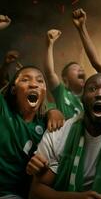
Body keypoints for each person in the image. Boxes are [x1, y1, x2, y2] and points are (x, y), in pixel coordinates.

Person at [29, 73, 101, 199]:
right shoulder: (58, 133)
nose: (99, 94)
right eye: (92, 89)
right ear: (82, 98)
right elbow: (36, 190)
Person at [0, 66, 63, 198]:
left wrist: (54, 111)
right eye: (25, 80)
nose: (34, 84)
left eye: (40, 81)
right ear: (13, 90)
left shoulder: (48, 125)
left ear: (44, 92)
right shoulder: (3, 110)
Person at [44, 29, 86, 119]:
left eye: (81, 69)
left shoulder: (88, 97)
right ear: (65, 78)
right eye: (75, 68)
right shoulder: (61, 92)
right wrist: (49, 45)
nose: (80, 70)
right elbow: (50, 73)